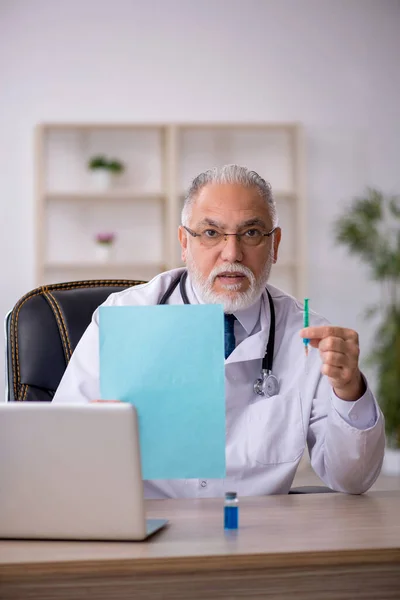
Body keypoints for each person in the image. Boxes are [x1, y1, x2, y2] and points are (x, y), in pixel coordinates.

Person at [54, 164, 385, 498]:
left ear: (275, 244)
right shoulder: (122, 316)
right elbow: (59, 453)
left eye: (251, 233)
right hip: (148, 530)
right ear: (185, 242)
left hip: (260, 535)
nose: (232, 253)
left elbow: (352, 480)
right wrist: (93, 434)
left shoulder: (308, 335)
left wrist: (349, 389)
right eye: (211, 233)